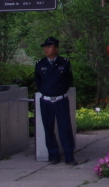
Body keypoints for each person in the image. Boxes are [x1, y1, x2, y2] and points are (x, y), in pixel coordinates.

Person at [34, 36, 79, 165]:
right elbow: (38, 82)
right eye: (45, 47)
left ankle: (69, 155)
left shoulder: (64, 63)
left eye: (49, 47)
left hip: (60, 100)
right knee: (48, 128)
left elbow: (68, 80)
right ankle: (53, 155)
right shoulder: (40, 64)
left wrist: (60, 91)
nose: (46, 49)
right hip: (46, 100)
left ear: (56, 49)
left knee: (65, 128)